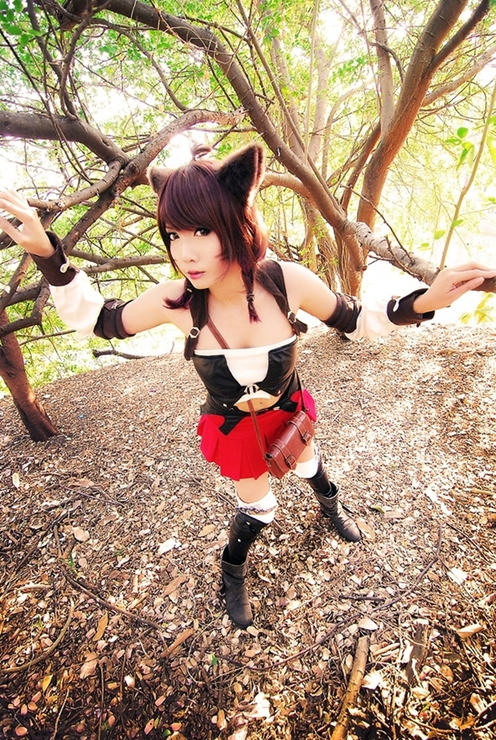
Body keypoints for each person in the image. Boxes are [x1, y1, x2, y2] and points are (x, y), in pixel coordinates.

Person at [1, 143, 495, 629]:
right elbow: (102, 321)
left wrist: (424, 301)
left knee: (309, 462)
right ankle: (232, 570)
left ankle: (331, 506)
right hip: (236, 427)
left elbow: (355, 317)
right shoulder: (178, 301)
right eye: (174, 234)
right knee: (260, 507)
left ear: (236, 219)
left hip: (289, 408)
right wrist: (46, 252)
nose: (185, 252)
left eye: (202, 229)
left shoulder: (285, 282)